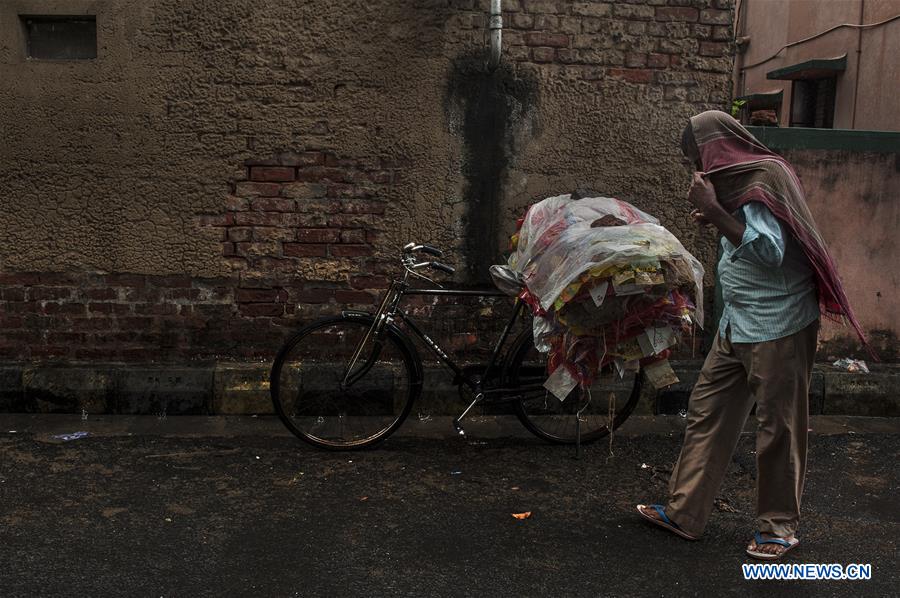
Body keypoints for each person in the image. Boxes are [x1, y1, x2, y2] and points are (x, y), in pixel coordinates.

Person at [635, 110, 871, 560]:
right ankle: (685, 513)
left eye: (697, 159)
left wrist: (713, 211)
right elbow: (750, 235)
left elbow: (770, 251)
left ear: (716, 148)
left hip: (778, 325)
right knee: (708, 411)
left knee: (777, 427)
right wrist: (719, 215)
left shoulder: (763, 177)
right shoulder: (741, 183)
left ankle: (777, 529)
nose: (697, 170)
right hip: (738, 322)